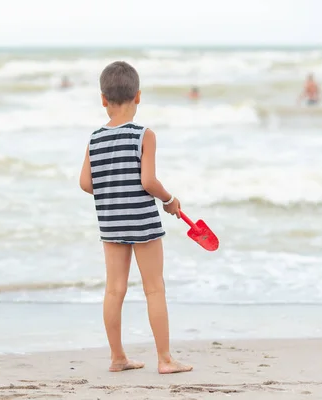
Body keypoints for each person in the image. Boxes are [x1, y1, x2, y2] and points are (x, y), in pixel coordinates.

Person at [79, 61, 193, 374]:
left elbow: (86, 183)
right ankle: (165, 359)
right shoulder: (143, 135)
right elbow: (148, 182)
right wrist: (170, 200)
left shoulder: (94, 138)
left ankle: (117, 357)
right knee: (154, 288)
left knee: (114, 289)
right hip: (142, 220)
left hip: (111, 222)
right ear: (138, 96)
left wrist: (112, 193)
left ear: (103, 99)